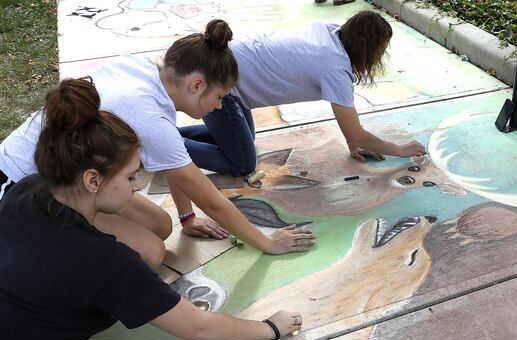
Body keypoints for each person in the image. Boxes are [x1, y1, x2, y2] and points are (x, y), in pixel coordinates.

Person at [0, 78, 303, 340]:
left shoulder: (26, 192)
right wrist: (270, 327)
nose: (138, 184)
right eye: (131, 176)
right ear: (93, 180)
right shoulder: (104, 262)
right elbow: (198, 326)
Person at [0, 19, 315, 269]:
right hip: (24, 192)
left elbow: (173, 160)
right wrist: (266, 241)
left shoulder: (143, 72)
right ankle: (47, 260)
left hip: (58, 173)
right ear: (196, 84)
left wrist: (187, 217)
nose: (220, 106)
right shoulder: (148, 114)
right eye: (220, 97)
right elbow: (212, 200)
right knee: (150, 253)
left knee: (160, 226)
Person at [179, 11, 425, 177]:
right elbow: (357, 133)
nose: (380, 57)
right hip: (220, 81)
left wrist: (353, 142)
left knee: (244, 140)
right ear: (366, 47)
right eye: (380, 50)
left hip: (223, 65)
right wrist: (400, 150)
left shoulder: (332, 33)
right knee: (242, 162)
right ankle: (158, 143)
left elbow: (353, 134)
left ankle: (168, 137)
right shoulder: (334, 66)